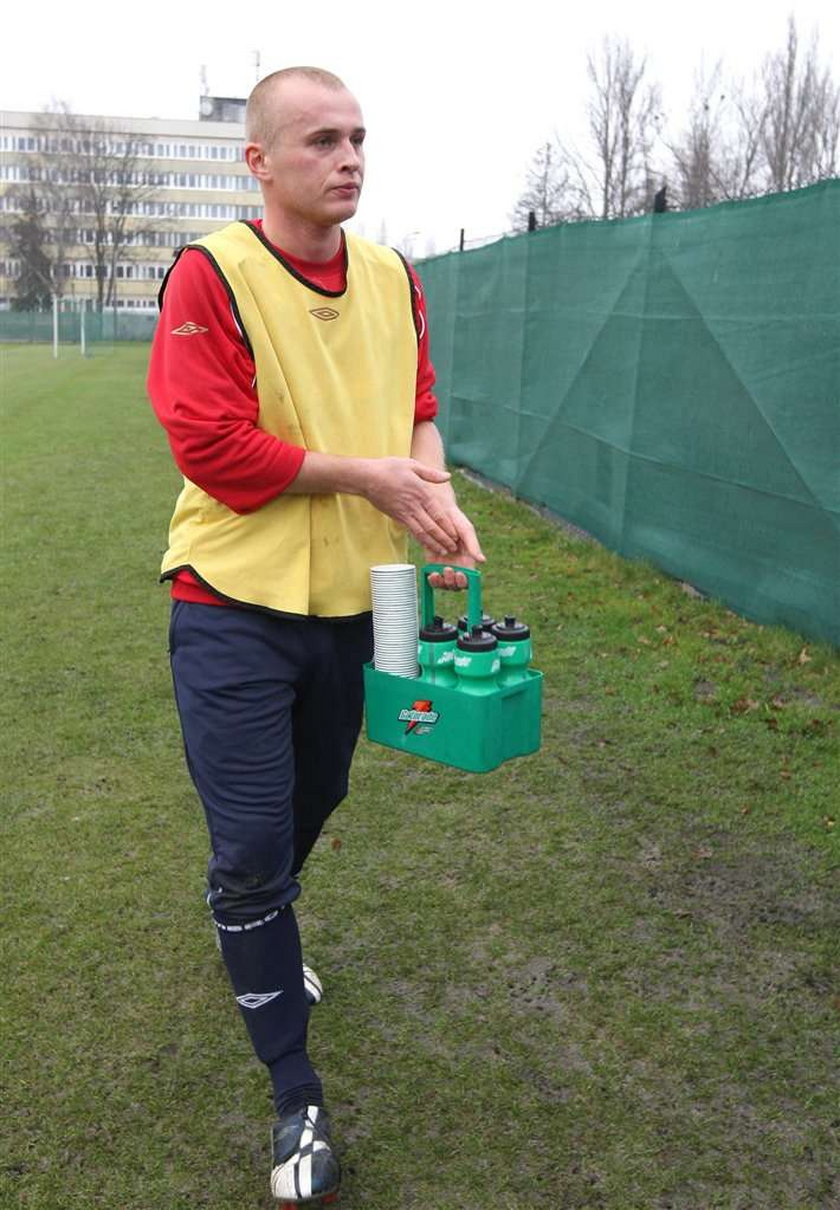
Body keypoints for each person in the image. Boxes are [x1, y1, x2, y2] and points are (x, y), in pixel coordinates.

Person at [147, 66, 483, 1205]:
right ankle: (296, 1094)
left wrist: (429, 498)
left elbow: (420, 406)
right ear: (260, 162)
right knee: (248, 853)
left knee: (315, 802)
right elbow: (213, 449)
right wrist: (373, 478)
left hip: (358, 605)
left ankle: (260, 928)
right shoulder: (213, 271)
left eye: (358, 138)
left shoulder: (394, 277)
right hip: (230, 605)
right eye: (321, 141)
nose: (348, 158)